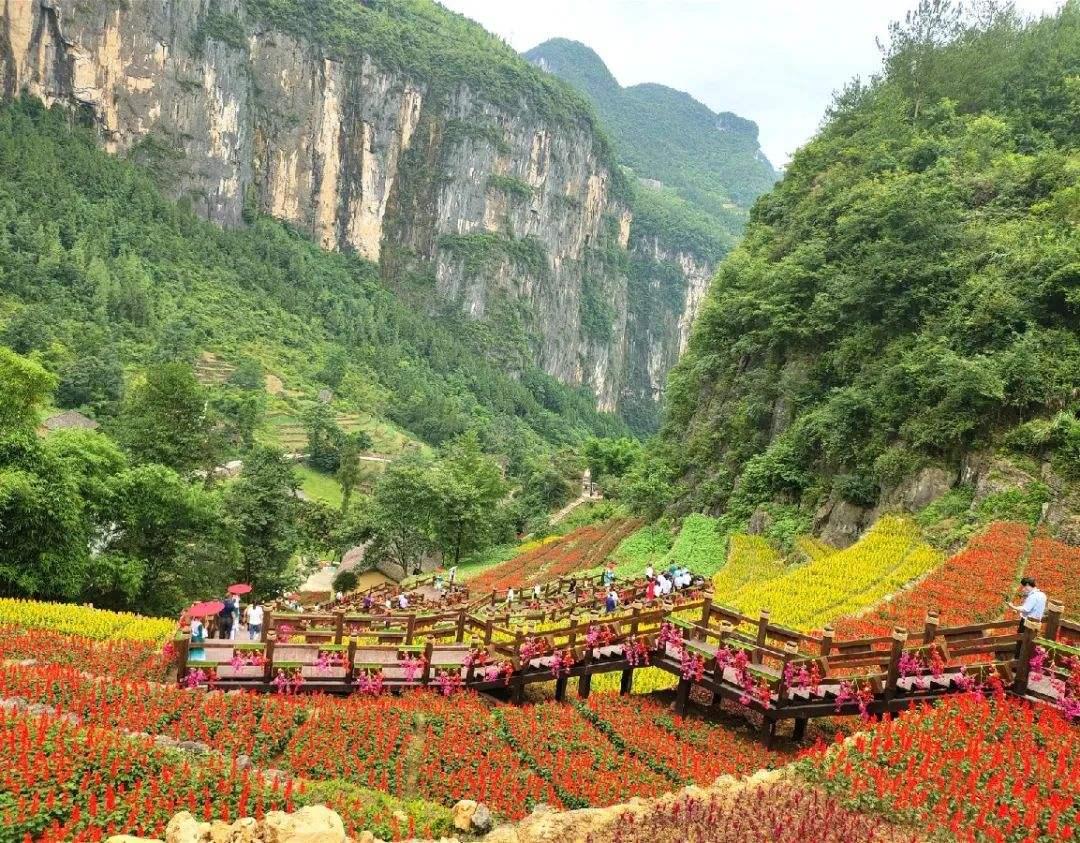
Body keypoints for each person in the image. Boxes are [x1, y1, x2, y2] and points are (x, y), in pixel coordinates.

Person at [1007, 576, 1047, 656]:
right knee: (1030, 644)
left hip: (1027, 623)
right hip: (1036, 624)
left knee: (1021, 642)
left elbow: (1026, 609)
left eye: (1024, 586)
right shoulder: (1042, 595)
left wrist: (1013, 607)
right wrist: (1018, 609)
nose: (1023, 589)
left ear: (1028, 585)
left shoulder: (1033, 596)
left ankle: (1017, 662)